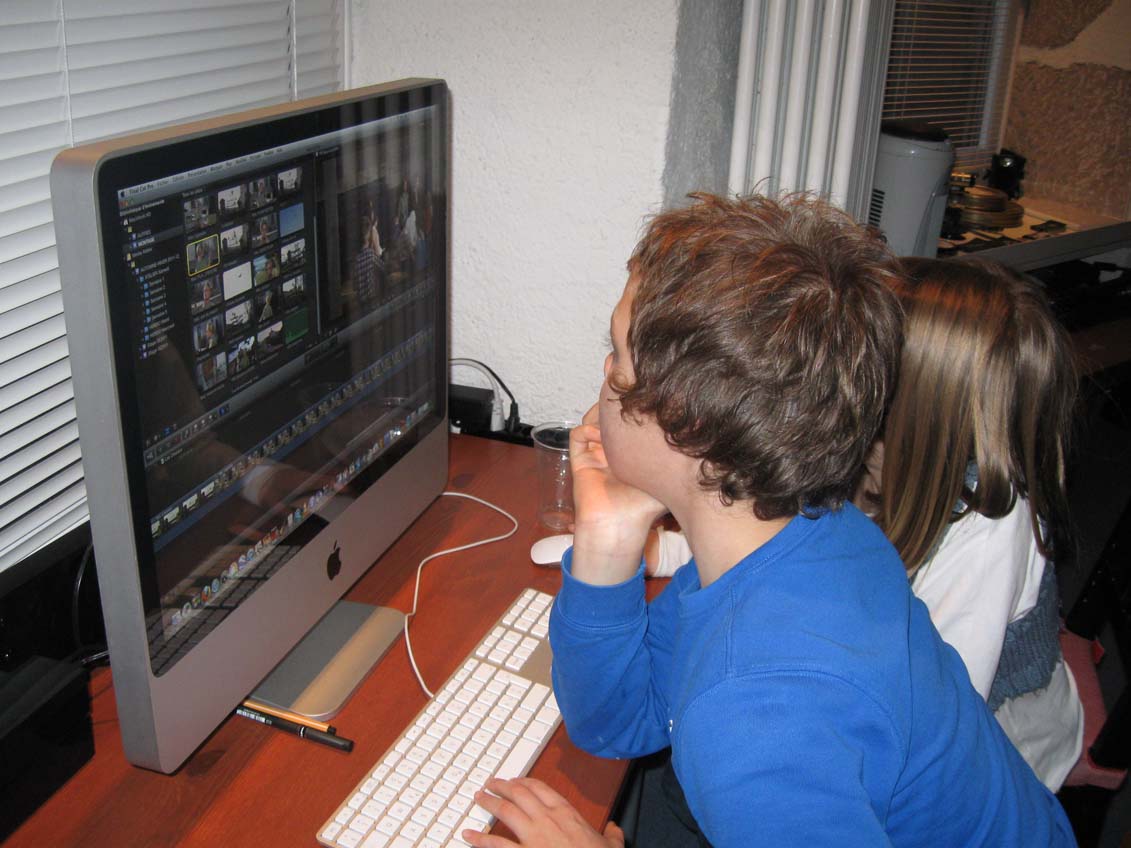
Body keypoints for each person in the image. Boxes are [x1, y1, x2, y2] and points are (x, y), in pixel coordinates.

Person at [462, 194, 1075, 847]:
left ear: (686, 422)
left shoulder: (757, 719)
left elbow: (730, 722)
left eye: (616, 355)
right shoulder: (806, 528)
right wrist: (608, 538)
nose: (605, 374)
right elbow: (619, 723)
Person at [644, 257, 1085, 794]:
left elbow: (932, 711)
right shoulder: (862, 451)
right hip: (879, 657)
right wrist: (664, 552)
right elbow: (769, 537)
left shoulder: (990, 532)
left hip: (991, 750)